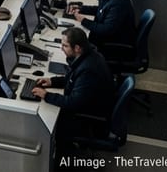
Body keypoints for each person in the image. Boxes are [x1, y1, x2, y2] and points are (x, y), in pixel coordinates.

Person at [29, 27, 116, 160]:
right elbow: (73, 78)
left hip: (90, 114)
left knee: (43, 120)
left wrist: (47, 95)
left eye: (65, 46)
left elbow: (73, 102)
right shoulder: (86, 57)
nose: (61, 48)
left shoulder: (88, 70)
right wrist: (52, 81)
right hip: (91, 103)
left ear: (77, 48)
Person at [70, 0, 136, 60]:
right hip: (109, 38)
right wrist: (82, 9)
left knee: (75, 46)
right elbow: (102, 9)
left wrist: (84, 21)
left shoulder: (119, 3)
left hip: (113, 44)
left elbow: (106, 29)